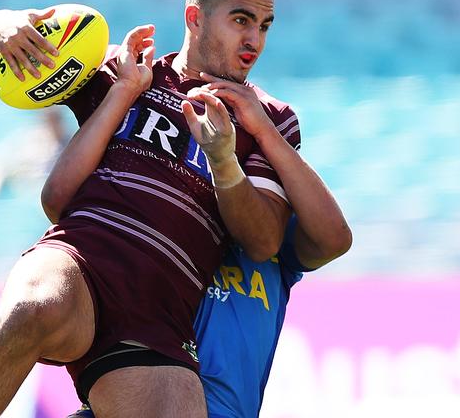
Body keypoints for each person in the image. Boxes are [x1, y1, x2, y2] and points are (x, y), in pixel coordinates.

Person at [0, 0, 298, 418]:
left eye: (265, 25)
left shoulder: (269, 117)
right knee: (33, 308)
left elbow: (264, 239)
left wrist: (224, 160)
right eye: (241, 20)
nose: (255, 40)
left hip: (162, 306)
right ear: (195, 18)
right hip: (83, 256)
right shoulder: (123, 69)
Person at [46, 67, 352, 418]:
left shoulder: (270, 229)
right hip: (133, 398)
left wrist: (266, 131)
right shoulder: (157, 223)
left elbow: (335, 238)